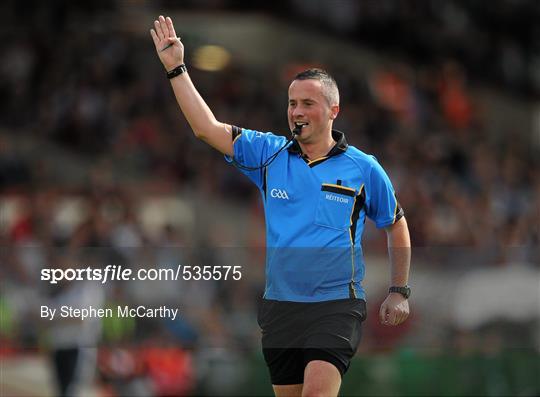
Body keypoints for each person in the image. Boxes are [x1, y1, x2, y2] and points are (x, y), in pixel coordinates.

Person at [150, 15, 411, 397]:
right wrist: (176, 69)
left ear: (333, 110)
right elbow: (206, 128)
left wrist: (399, 289)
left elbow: (395, 222)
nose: (297, 112)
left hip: (336, 305)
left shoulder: (362, 168)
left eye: (308, 103)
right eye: (292, 104)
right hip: (281, 308)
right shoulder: (268, 154)